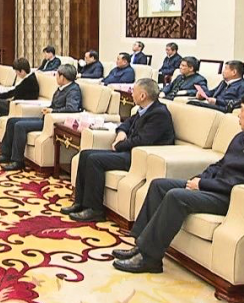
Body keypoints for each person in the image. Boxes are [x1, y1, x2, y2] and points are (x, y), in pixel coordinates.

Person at [114, 92, 244, 273]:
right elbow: (221, 164)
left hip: (233, 199)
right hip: (215, 187)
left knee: (176, 196)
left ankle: (149, 259)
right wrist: (200, 179)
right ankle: (140, 246)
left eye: (242, 111)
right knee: (159, 185)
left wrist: (204, 185)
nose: (238, 115)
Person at [62, 79, 175, 222]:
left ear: (143, 96)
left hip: (141, 158)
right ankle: (80, 203)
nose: (131, 94)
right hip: (130, 151)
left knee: (94, 160)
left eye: (134, 91)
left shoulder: (159, 114)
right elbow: (127, 122)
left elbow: (143, 140)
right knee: (85, 154)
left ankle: (95, 209)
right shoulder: (144, 108)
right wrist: (121, 132)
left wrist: (119, 145)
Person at [0, 64, 83, 170]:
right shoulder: (62, 88)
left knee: (20, 126)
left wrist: (53, 111)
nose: (56, 77)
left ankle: (18, 161)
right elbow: (55, 105)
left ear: (62, 77)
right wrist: (48, 109)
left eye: (57, 75)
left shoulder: (73, 90)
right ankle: (5, 155)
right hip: (45, 118)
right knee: (11, 121)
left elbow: (71, 108)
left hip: (52, 122)